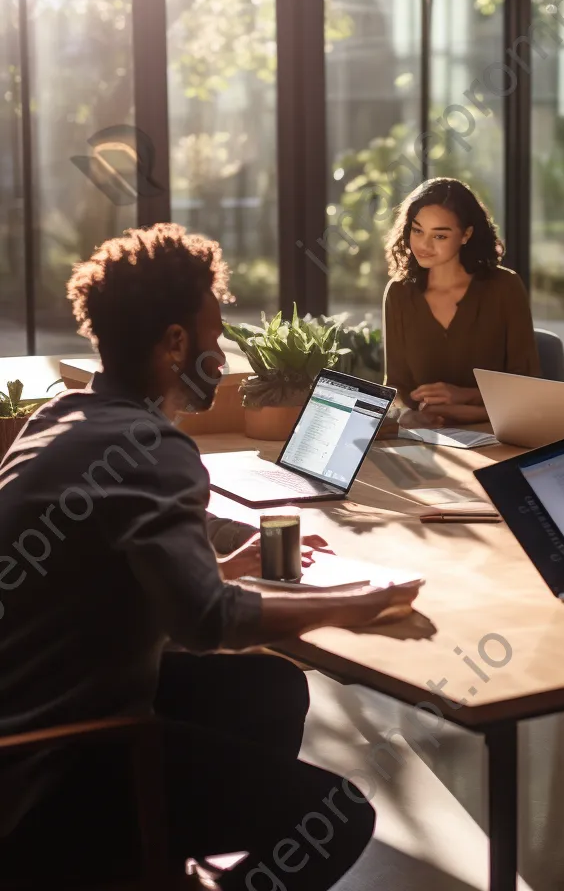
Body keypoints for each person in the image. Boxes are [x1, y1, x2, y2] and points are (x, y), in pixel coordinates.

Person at [0, 224, 420, 890]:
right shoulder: (154, 446)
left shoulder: (62, 418)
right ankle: (134, 855)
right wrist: (363, 599)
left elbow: (117, 560)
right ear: (174, 344)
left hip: (24, 738)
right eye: (215, 337)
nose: (222, 357)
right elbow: (205, 621)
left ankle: (166, 859)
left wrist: (226, 554)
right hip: (55, 777)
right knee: (336, 817)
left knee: (269, 691)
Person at [383, 177, 540, 426]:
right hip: (425, 437)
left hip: (500, 434)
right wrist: (410, 414)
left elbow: (529, 389)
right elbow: (396, 386)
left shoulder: (505, 287)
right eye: (417, 230)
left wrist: (464, 396)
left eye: (440, 236)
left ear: (466, 234)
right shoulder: (399, 292)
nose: (423, 245)